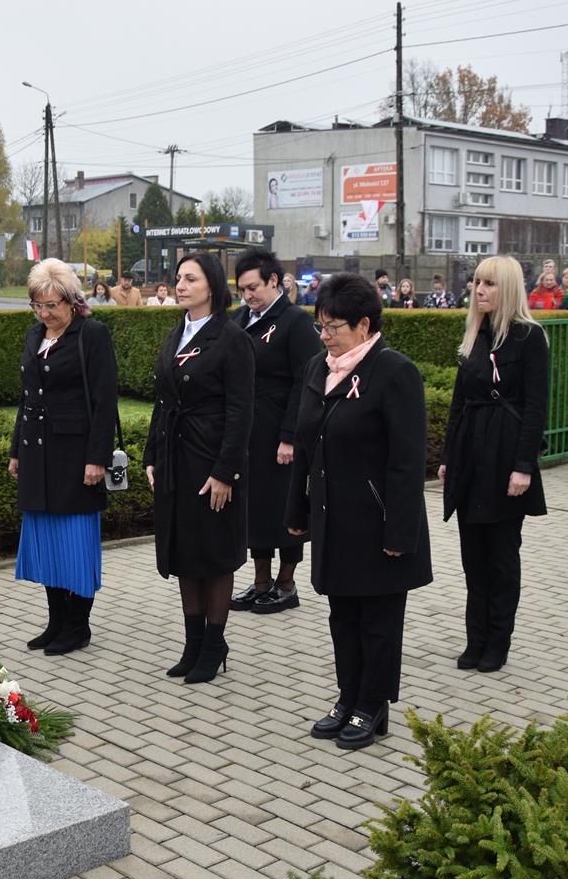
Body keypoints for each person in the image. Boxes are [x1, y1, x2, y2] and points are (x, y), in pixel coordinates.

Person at [283, 273, 430, 750]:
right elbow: (304, 447)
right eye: (320, 326)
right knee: (342, 615)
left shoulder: (394, 372)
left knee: (378, 620)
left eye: (334, 327)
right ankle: (348, 696)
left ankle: (374, 703)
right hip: (332, 517)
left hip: (378, 520)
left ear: (364, 325)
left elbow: (407, 462)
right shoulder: (317, 368)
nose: (324, 336)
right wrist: (297, 510)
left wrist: (399, 532)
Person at [145, 252, 255, 686]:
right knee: (185, 554)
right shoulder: (176, 334)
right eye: (177, 278)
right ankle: (192, 643)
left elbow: (242, 411)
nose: (180, 285)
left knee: (213, 554)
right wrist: (153, 455)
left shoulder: (231, 339)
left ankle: (214, 644)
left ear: (211, 284)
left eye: (190, 278)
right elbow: (163, 403)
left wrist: (226, 471)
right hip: (176, 460)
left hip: (211, 461)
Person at [440, 256, 548, 675]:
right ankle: (475, 638)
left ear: (507, 289)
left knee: (502, 557)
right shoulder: (474, 335)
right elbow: (458, 403)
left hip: (505, 456)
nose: (479, 290)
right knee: (473, 556)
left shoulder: (529, 338)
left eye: (489, 284)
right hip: (471, 452)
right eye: (477, 282)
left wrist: (523, 466)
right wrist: (449, 457)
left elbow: (536, 408)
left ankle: (497, 641)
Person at [10, 260, 120, 657]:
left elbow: (105, 401)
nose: (44, 313)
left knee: (74, 543)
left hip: (76, 456)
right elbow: (27, 399)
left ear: (72, 302)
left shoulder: (92, 335)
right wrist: (15, 449)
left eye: (52, 305)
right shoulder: (33, 335)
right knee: (47, 543)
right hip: (37, 453)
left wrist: (97, 458)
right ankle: (56, 621)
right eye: (37, 305)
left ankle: (78, 626)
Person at [229, 249, 318, 616]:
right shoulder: (239, 320)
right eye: (242, 289)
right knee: (256, 510)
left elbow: (307, 380)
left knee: (284, 508)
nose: (247, 295)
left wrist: (290, 436)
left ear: (274, 282)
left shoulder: (295, 322)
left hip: (279, 432)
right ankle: (260, 581)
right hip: (248, 432)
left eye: (253, 288)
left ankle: (286, 583)